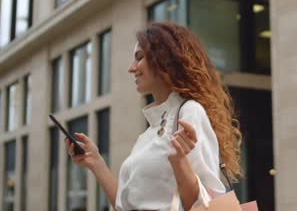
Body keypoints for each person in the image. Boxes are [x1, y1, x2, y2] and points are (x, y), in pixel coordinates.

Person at [65, 21, 242, 210]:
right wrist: (96, 162)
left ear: (164, 59)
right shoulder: (149, 133)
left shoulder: (190, 112)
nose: (131, 68)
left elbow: (208, 204)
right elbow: (125, 206)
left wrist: (179, 161)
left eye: (139, 57)